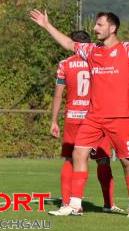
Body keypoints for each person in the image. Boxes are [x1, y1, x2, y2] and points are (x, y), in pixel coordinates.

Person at [30, 9, 129, 218]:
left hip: (120, 118)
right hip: (93, 117)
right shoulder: (91, 50)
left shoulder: (126, 49)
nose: (95, 28)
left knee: (128, 162)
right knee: (78, 153)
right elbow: (69, 44)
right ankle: (74, 204)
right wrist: (47, 25)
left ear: (112, 28)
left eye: (99, 25)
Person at [48, 30, 123, 215]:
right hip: (96, 118)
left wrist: (53, 121)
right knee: (103, 160)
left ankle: (67, 203)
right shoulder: (97, 60)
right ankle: (108, 204)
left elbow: (58, 94)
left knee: (70, 159)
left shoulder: (65, 64)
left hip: (73, 118)